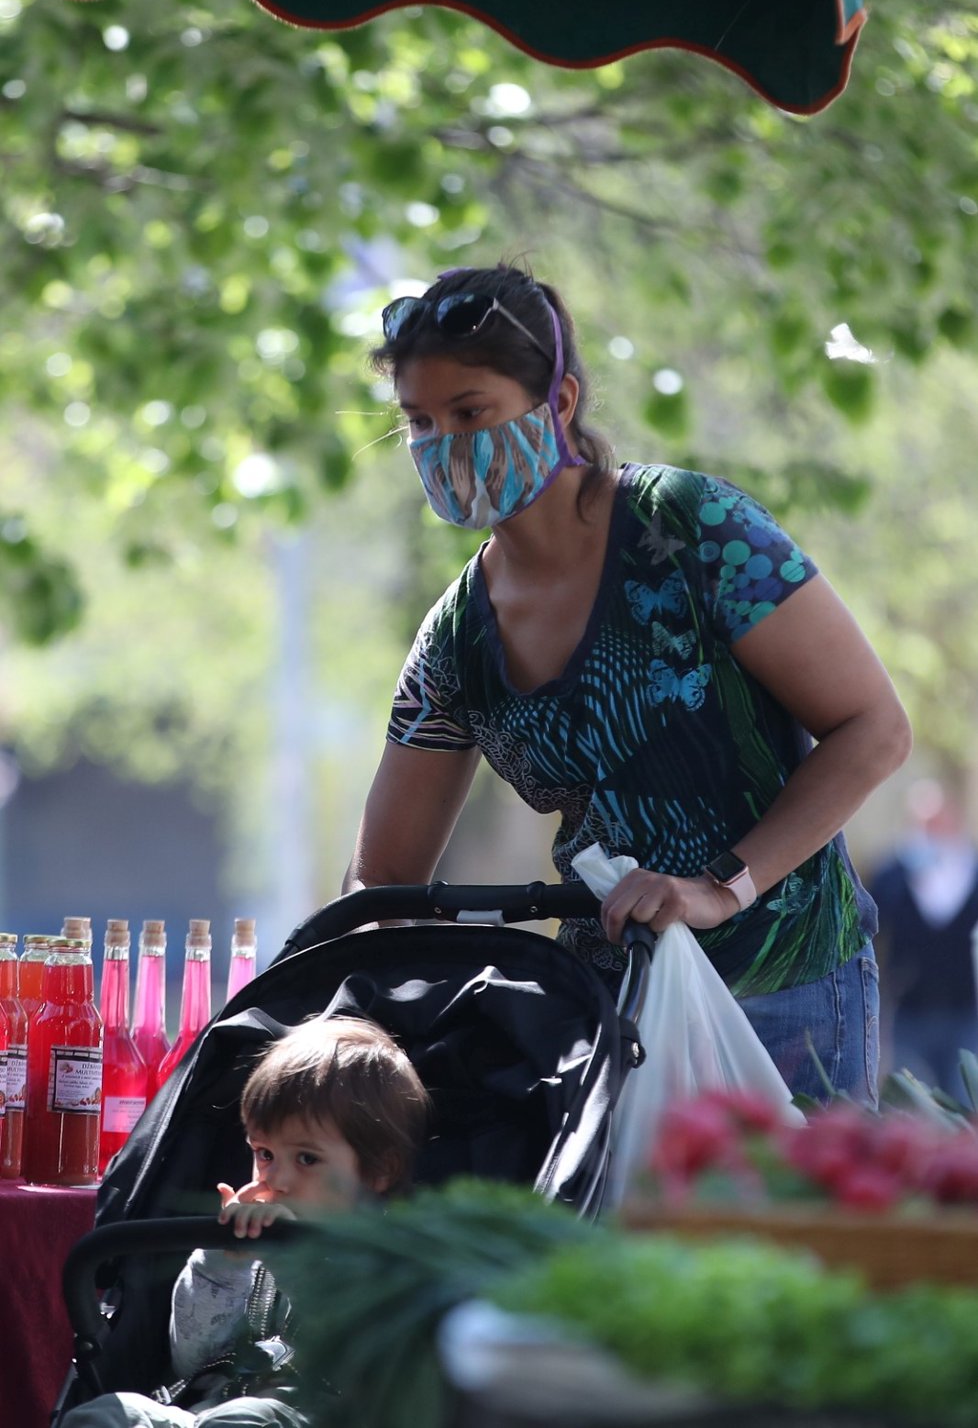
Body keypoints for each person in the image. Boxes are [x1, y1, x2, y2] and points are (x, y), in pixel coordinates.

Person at [344, 262, 913, 1106]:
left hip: (787, 992)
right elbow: (383, 881)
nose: (445, 446)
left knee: (786, 1238)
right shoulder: (454, 641)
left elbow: (874, 728)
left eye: (471, 413)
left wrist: (721, 887)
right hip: (610, 1017)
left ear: (560, 402)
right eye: (420, 422)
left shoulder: (693, 527)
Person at [61, 1014, 431, 1428]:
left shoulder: (392, 1264)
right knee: (109, 1413)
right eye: (265, 1154)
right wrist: (223, 1265)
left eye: (307, 1159)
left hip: (317, 1415)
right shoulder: (256, 1250)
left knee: (245, 1418)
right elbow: (191, 1361)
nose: (276, 1179)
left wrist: (294, 1263)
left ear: (380, 1169)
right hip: (204, 1410)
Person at [870, 777, 978, 1104]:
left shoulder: (972, 866)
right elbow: (876, 926)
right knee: (914, 1102)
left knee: (966, 1100)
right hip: (910, 1007)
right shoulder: (892, 871)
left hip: (965, 1006)